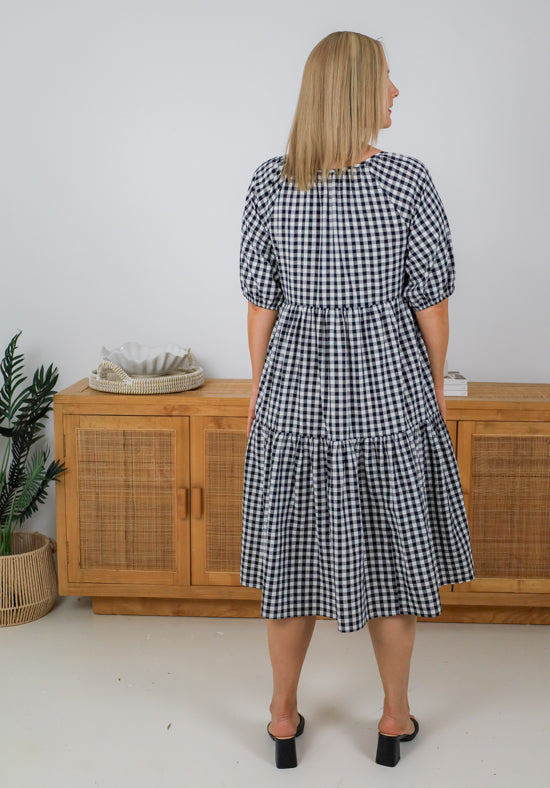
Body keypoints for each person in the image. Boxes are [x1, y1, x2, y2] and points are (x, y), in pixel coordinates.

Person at [239, 30, 475, 769]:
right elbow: (431, 305)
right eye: (388, 80)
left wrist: (259, 390)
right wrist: (432, 388)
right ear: (356, 92)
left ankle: (282, 720)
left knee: (291, 562)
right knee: (397, 558)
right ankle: (394, 718)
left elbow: (261, 305)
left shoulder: (268, 182)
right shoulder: (407, 181)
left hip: (295, 389)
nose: (396, 92)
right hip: (389, 388)